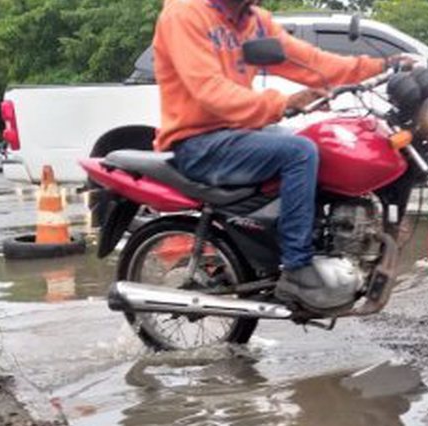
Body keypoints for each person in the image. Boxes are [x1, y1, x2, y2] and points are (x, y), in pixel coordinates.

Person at [152, 0, 405, 308]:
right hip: (198, 141)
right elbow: (209, 90)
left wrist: (383, 66)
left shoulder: (253, 21)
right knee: (299, 153)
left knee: (320, 146)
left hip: (240, 132)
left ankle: (323, 245)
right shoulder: (184, 13)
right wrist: (282, 104)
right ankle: (297, 269)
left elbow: (312, 62)